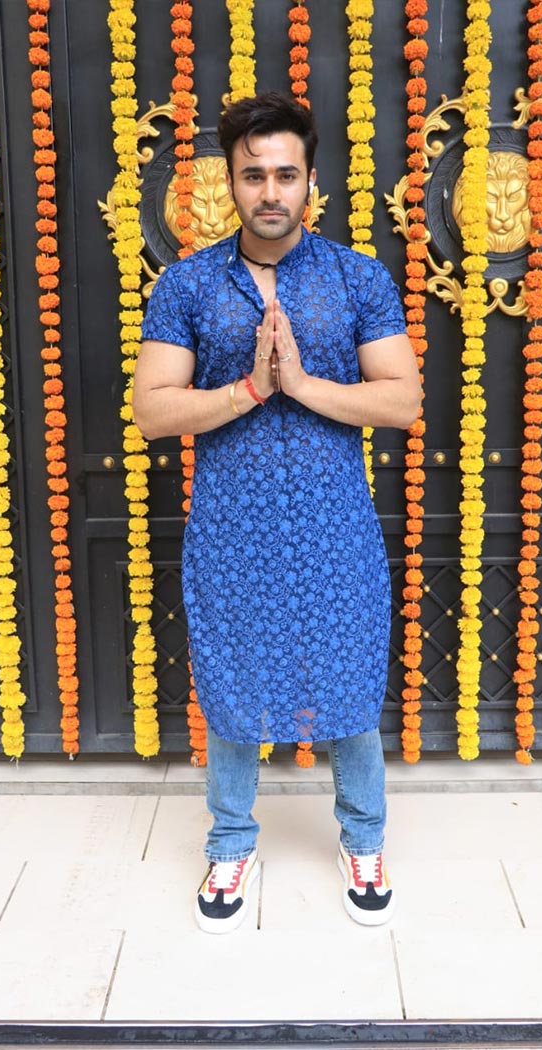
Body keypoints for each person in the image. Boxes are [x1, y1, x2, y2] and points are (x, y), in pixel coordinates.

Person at [133, 91, 421, 934]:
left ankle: (364, 840)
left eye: (284, 174)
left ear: (310, 181)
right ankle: (230, 844)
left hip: (335, 525)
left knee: (352, 685)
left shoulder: (355, 276)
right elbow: (152, 410)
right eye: (252, 174)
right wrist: (250, 390)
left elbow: (403, 401)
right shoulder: (188, 283)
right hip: (232, 527)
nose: (269, 191)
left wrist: (302, 386)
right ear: (229, 183)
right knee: (231, 688)